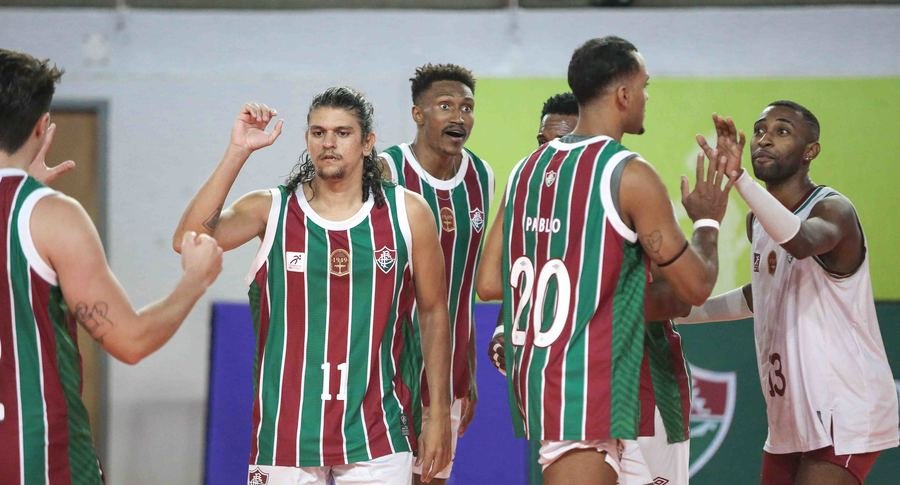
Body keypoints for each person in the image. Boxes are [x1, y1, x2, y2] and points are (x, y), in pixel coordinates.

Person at [476, 36, 733, 485]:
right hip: (597, 385)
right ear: (624, 95)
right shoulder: (629, 174)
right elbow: (694, 287)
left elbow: (489, 283)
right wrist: (708, 222)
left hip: (559, 389)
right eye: (645, 87)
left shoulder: (525, 171)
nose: (647, 97)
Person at [172, 87, 452, 485]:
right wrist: (238, 151)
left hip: (378, 428)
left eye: (342, 132)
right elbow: (187, 239)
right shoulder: (271, 209)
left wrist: (437, 412)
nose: (328, 143)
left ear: (367, 143)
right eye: (318, 132)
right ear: (307, 139)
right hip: (285, 430)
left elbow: (433, 311)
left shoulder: (407, 213)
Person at [0, 48, 223, 484]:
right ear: (41, 126)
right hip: (38, 459)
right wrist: (195, 280)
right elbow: (131, 341)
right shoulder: (49, 216)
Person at [679, 101, 899, 484]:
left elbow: (801, 241)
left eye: (782, 131)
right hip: (791, 414)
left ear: (810, 151)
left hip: (846, 409)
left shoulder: (833, 210)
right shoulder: (759, 222)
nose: (764, 139)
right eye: (759, 130)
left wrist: (739, 179)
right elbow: (760, 296)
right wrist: (676, 312)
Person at [378, 63, 493, 485]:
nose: (459, 116)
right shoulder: (386, 172)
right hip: (389, 372)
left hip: (448, 376)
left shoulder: (481, 176)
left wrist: (470, 371)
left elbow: (466, 286)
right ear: (418, 113)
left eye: (467, 107)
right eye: (445, 105)